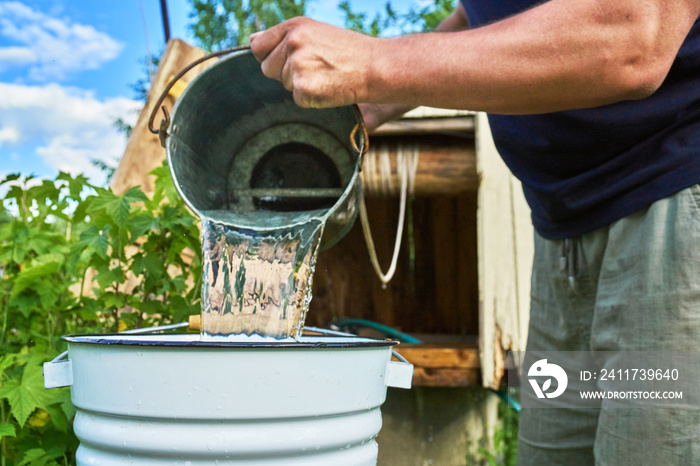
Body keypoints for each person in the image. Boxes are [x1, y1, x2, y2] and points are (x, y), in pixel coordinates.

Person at [250, 1, 700, 465]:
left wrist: (374, 62)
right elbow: (484, 12)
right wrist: (370, 102)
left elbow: (636, 35)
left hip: (674, 209)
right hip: (561, 232)